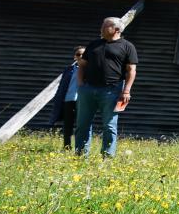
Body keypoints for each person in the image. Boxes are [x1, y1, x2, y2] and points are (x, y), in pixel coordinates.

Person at [74, 17, 138, 157]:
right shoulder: (93, 44)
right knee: (82, 124)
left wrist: (126, 91)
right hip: (88, 89)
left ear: (116, 29)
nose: (101, 28)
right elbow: (82, 66)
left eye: (105, 26)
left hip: (112, 90)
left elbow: (131, 71)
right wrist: (80, 85)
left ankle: (107, 157)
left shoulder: (127, 46)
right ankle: (80, 156)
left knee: (109, 126)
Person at [48, 46, 86, 149]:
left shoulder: (90, 70)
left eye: (83, 54)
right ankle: (67, 147)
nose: (81, 56)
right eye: (78, 54)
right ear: (75, 57)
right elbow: (62, 86)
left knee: (81, 125)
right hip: (68, 100)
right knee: (67, 125)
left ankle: (80, 148)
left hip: (82, 101)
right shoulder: (69, 70)